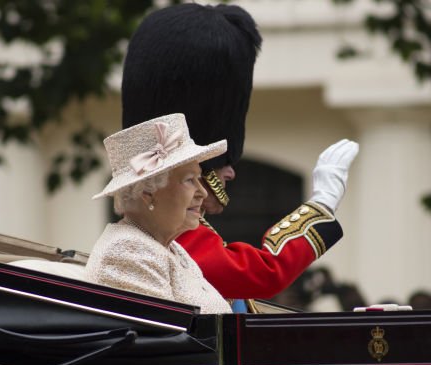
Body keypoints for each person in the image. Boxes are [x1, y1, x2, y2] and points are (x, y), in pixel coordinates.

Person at [121, 3, 359, 311]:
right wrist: (321, 204)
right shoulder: (172, 236)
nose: (231, 172)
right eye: (197, 171)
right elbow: (264, 272)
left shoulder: (181, 232)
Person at [85, 113, 232, 314]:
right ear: (148, 194)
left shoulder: (170, 248)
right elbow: (171, 341)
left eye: (199, 179)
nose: (203, 193)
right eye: (190, 180)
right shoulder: (129, 251)